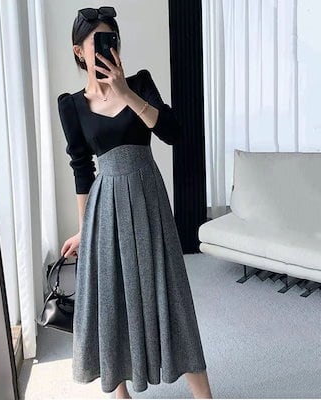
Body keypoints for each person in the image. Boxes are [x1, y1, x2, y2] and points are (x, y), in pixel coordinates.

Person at [59, 6, 213, 399]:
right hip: (105, 208)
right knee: (112, 298)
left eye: (112, 39)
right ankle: (121, 394)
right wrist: (84, 230)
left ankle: (204, 395)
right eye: (98, 41)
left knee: (172, 293)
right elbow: (82, 169)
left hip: (148, 199)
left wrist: (126, 94)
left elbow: (174, 133)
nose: (107, 47)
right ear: (79, 51)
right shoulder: (71, 105)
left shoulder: (140, 83)